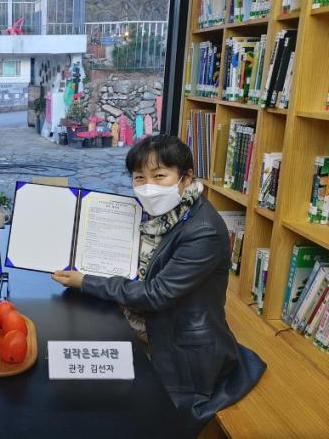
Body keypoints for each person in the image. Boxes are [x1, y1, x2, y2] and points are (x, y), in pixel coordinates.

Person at [52, 134, 266, 436]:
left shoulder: (203, 230)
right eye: (139, 177)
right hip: (148, 324)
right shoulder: (159, 215)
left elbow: (156, 294)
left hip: (180, 349)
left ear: (186, 177)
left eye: (160, 176)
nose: (148, 187)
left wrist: (87, 281)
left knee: (101, 403)